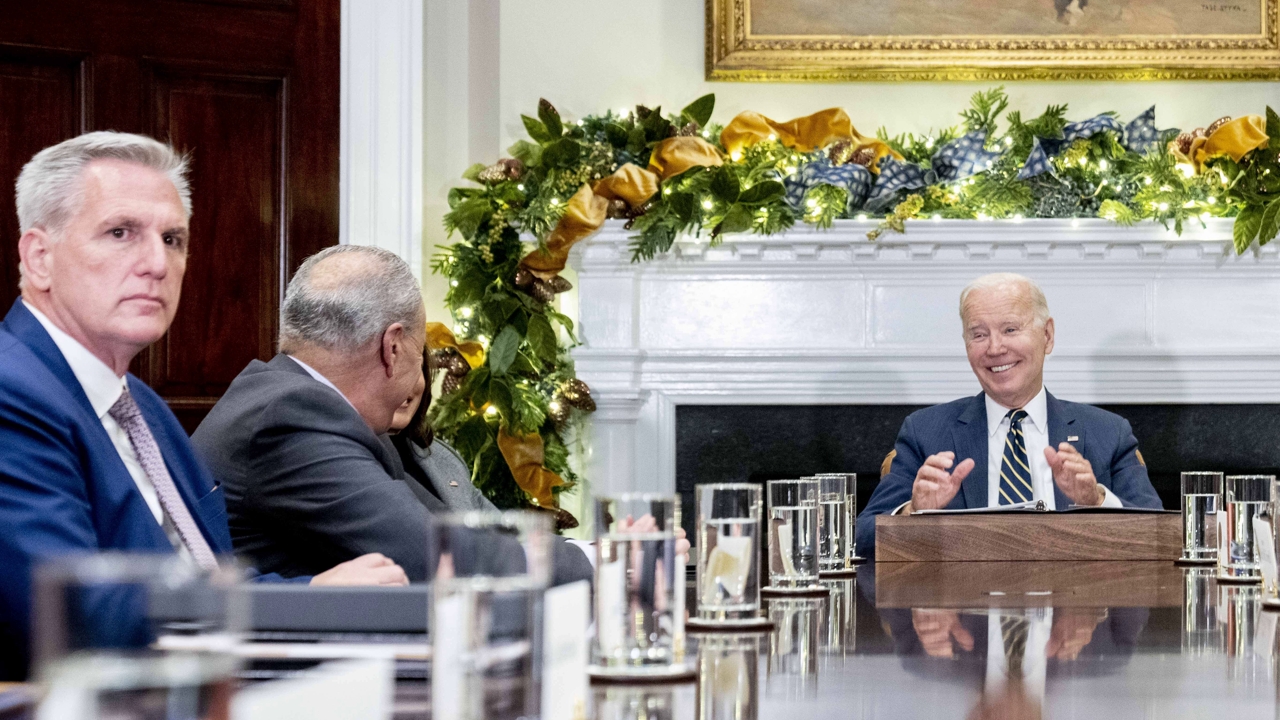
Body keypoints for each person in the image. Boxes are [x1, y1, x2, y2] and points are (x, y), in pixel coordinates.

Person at [0, 132, 407, 680]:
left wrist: (318, 590)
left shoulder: (139, 404)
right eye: (121, 233)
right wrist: (297, 608)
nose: (156, 264)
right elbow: (75, 617)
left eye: (173, 239)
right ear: (39, 258)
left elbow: (201, 575)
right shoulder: (12, 393)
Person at [191, 246, 595, 585]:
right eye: (422, 351)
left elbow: (453, 527)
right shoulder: (292, 416)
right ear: (394, 347)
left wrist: (584, 552)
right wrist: (602, 564)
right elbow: (436, 556)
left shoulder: (299, 403)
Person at [855, 273, 1162, 554]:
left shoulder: (1108, 433)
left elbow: (1161, 536)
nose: (995, 348)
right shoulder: (925, 433)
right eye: (978, 334)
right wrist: (913, 514)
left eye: (1010, 329)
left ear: (1048, 336)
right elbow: (863, 536)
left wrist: (1096, 502)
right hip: (963, 609)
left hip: (1076, 607)